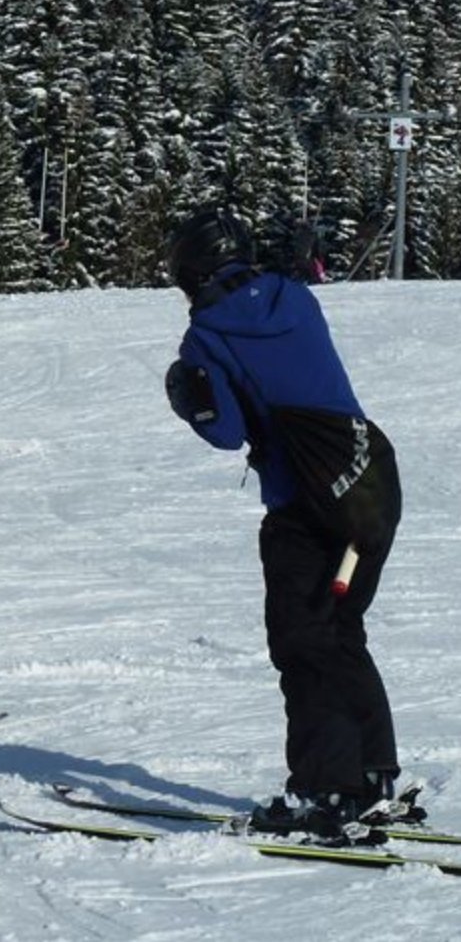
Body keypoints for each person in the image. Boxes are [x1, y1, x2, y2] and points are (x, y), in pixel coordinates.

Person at [163, 207, 410, 843]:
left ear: (191, 271)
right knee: (340, 630)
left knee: (304, 642)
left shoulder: (205, 337)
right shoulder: (295, 298)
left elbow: (226, 431)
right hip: (368, 497)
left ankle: (328, 790)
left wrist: (188, 395)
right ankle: (373, 773)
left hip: (305, 512)